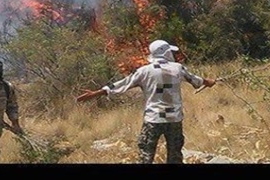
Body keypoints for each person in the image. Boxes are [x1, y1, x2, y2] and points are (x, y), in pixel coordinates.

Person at [76, 39, 216, 164]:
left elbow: (122, 84)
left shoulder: (144, 71)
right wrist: (209, 82)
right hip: (174, 119)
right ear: (167, 52)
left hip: (153, 119)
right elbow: (196, 80)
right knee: (175, 157)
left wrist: (98, 92)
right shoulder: (178, 68)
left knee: (146, 156)